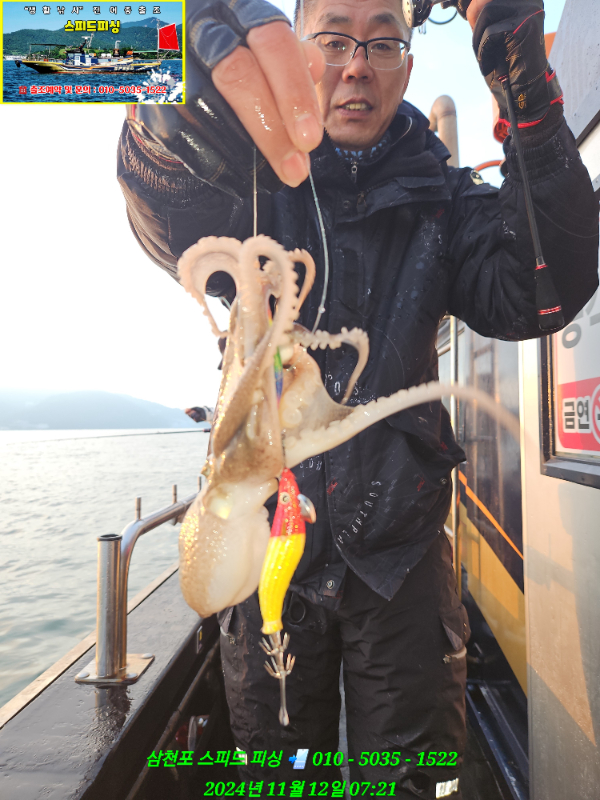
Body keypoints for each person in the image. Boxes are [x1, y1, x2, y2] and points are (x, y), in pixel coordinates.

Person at [117, 0, 599, 796]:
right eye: (334, 37)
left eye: (383, 44)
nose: (356, 66)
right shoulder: (246, 183)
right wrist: (156, 52)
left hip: (403, 560)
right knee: (279, 783)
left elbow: (546, 286)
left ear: (408, 66)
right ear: (294, 48)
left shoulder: (444, 201)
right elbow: (38, 48)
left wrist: (523, 81)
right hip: (268, 555)